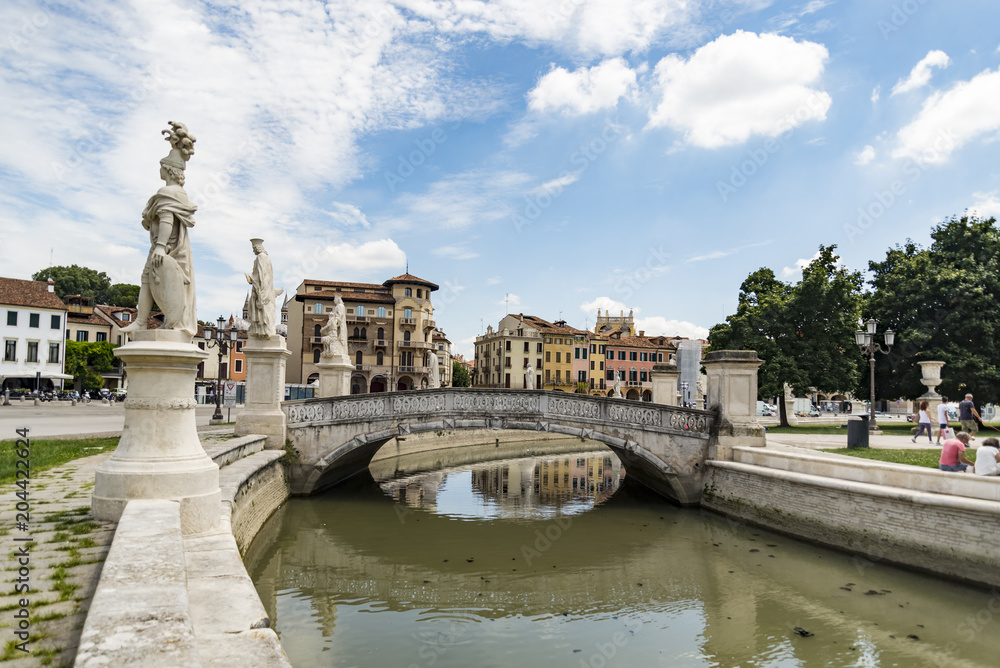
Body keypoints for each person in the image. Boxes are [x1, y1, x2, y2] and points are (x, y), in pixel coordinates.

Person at [121, 121, 198, 337]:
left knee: (149, 280)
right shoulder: (175, 193)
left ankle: (142, 321)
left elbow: (166, 219)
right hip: (167, 250)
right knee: (152, 281)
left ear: (169, 170)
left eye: (162, 166)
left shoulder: (167, 192)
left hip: (165, 249)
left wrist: (160, 247)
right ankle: (148, 321)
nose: (159, 169)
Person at [245, 238, 283, 339]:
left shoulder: (260, 258)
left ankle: (261, 331)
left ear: (258, 248)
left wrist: (252, 280)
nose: (253, 250)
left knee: (260, 312)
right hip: (266, 289)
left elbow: (261, 275)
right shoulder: (266, 258)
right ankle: (265, 330)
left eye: (254, 248)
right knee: (266, 311)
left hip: (261, 289)